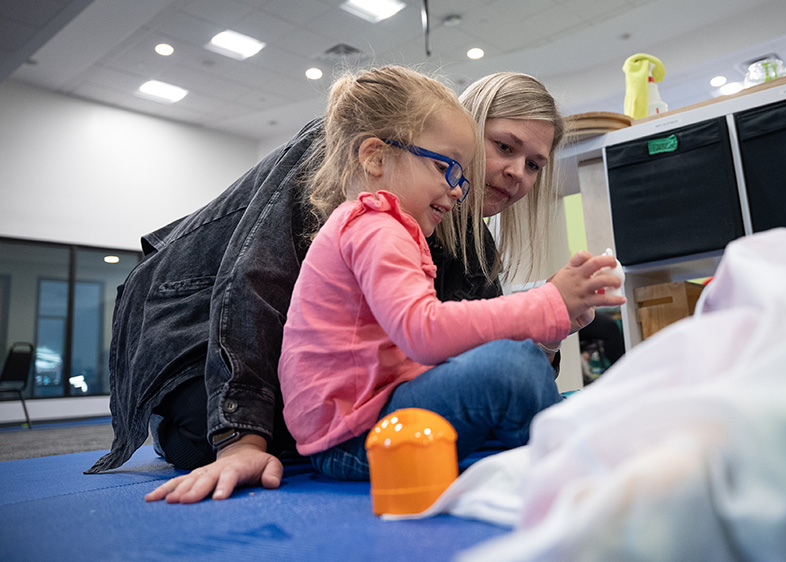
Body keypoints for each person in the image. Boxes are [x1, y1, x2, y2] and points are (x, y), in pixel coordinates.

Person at [87, 68, 592, 503]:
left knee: (500, 375)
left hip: (344, 392)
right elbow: (253, 284)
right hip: (198, 324)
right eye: (503, 147)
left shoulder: (453, 231)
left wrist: (546, 329)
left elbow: (471, 346)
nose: (516, 173)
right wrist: (240, 438)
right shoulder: (348, 167)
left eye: (534, 165)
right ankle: (205, 426)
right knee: (213, 434)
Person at [275, 65, 625, 481]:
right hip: (355, 439)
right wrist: (545, 303)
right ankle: (569, 459)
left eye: (534, 164)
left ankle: (556, 434)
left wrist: (548, 326)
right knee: (514, 367)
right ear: (376, 156)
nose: (459, 189)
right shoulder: (375, 228)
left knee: (518, 365)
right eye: (445, 169)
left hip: (363, 425)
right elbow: (424, 332)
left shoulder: (381, 226)